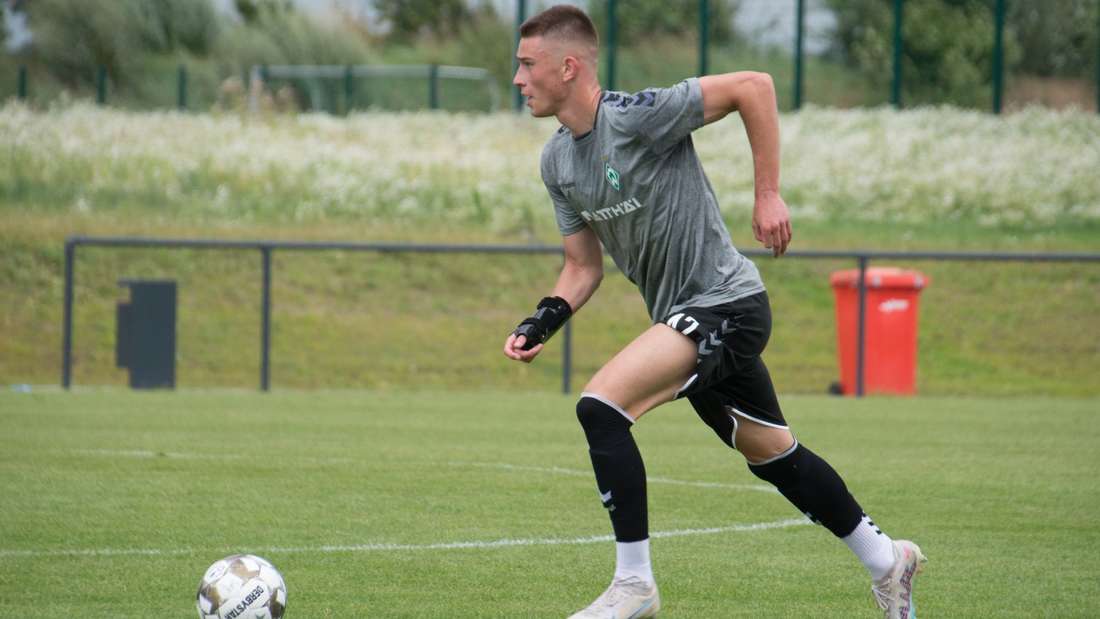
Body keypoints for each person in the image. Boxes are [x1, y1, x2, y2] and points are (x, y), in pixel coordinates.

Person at [503, 6, 925, 618]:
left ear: (568, 67)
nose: (518, 78)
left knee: (600, 407)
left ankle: (634, 584)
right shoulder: (557, 162)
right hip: (689, 319)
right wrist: (540, 321)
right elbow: (582, 266)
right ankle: (888, 559)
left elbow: (754, 86)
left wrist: (767, 193)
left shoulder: (639, 116)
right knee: (774, 455)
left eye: (527, 64)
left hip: (728, 303)